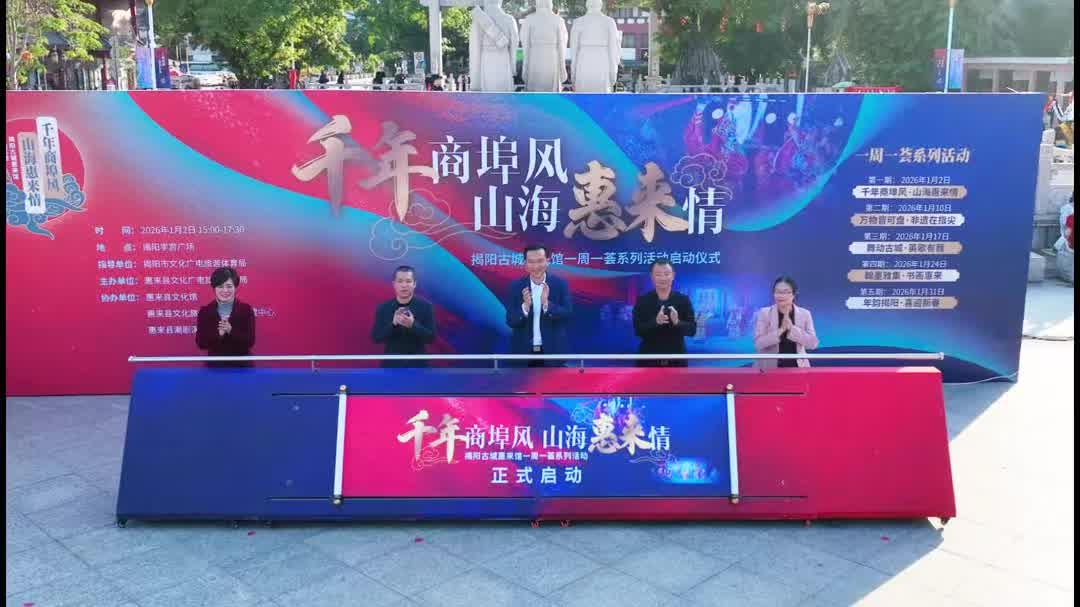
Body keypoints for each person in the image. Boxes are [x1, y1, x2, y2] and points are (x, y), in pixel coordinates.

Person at [505, 244, 572, 367]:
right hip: (523, 353)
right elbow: (510, 320)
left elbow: (567, 314)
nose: (536, 266)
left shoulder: (560, 284)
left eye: (540, 261)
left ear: (548, 261)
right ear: (525, 263)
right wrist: (525, 307)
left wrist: (547, 304)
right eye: (531, 262)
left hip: (552, 351)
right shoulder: (516, 286)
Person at [632, 259, 697, 367]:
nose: (663, 278)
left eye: (667, 274)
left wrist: (677, 322)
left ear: (673, 275)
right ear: (652, 277)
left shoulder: (683, 300)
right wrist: (656, 322)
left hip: (676, 360)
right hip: (648, 360)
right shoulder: (642, 301)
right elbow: (638, 331)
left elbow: (692, 331)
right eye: (658, 274)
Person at [371, 266, 437, 367]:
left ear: (414, 284)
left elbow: (431, 338)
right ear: (394, 284)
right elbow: (376, 338)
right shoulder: (383, 308)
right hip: (391, 366)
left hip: (418, 366)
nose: (404, 285)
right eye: (400, 281)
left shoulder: (426, 307)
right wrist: (393, 324)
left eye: (408, 281)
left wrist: (413, 325)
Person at [753, 276, 818, 369]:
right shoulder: (764, 313)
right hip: (769, 369)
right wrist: (781, 330)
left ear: (794, 294)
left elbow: (813, 344)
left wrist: (792, 328)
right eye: (777, 292)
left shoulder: (804, 314)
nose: (781, 295)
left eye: (785, 292)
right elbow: (758, 344)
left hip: (798, 368)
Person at [195, 267, 255, 367]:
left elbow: (250, 342)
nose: (225, 290)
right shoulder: (205, 311)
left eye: (229, 286)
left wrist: (231, 330)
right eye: (220, 286)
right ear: (214, 288)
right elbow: (201, 343)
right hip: (215, 367)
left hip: (242, 367)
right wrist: (218, 334)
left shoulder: (246, 310)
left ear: (235, 287)